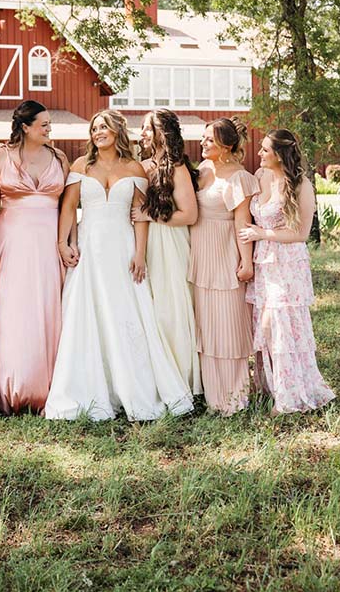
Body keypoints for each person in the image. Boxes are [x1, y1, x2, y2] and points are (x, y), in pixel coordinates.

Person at [45, 110, 193, 422]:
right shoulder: (81, 166)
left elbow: (140, 214)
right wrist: (63, 243)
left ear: (116, 131)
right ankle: (89, 390)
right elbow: (69, 207)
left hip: (123, 249)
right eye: (94, 128)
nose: (98, 132)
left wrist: (140, 254)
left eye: (104, 127)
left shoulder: (133, 167)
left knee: (128, 315)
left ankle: (134, 389)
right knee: (88, 315)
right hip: (91, 250)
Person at [240, 129, 335, 414]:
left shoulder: (300, 185)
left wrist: (262, 233)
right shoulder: (260, 176)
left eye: (265, 150)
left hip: (287, 264)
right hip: (264, 263)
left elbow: (301, 233)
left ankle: (290, 395)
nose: (259, 154)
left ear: (280, 154)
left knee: (279, 327)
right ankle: (268, 386)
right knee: (264, 328)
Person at [0, 101, 67, 414]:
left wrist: (68, 242)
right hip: (12, 241)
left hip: (49, 242)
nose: (49, 129)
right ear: (25, 127)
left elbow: (69, 206)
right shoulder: (0, 156)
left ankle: (53, 387)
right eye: (43, 124)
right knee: (16, 312)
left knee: (50, 308)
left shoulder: (59, 157)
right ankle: (15, 387)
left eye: (49, 123)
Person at [188, 117, 259, 415]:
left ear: (227, 146)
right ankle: (211, 393)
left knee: (228, 325)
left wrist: (246, 262)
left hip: (225, 255)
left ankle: (234, 397)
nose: (203, 144)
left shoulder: (240, 178)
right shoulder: (201, 171)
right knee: (205, 326)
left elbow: (243, 223)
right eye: (203, 138)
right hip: (199, 255)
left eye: (210, 140)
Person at [131, 109, 201, 396]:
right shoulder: (142, 165)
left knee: (171, 308)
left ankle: (179, 377)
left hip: (170, 242)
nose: (143, 134)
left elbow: (189, 214)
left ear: (162, 132)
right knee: (150, 307)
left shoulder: (178, 167)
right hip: (146, 242)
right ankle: (155, 376)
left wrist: (151, 217)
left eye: (147, 128)